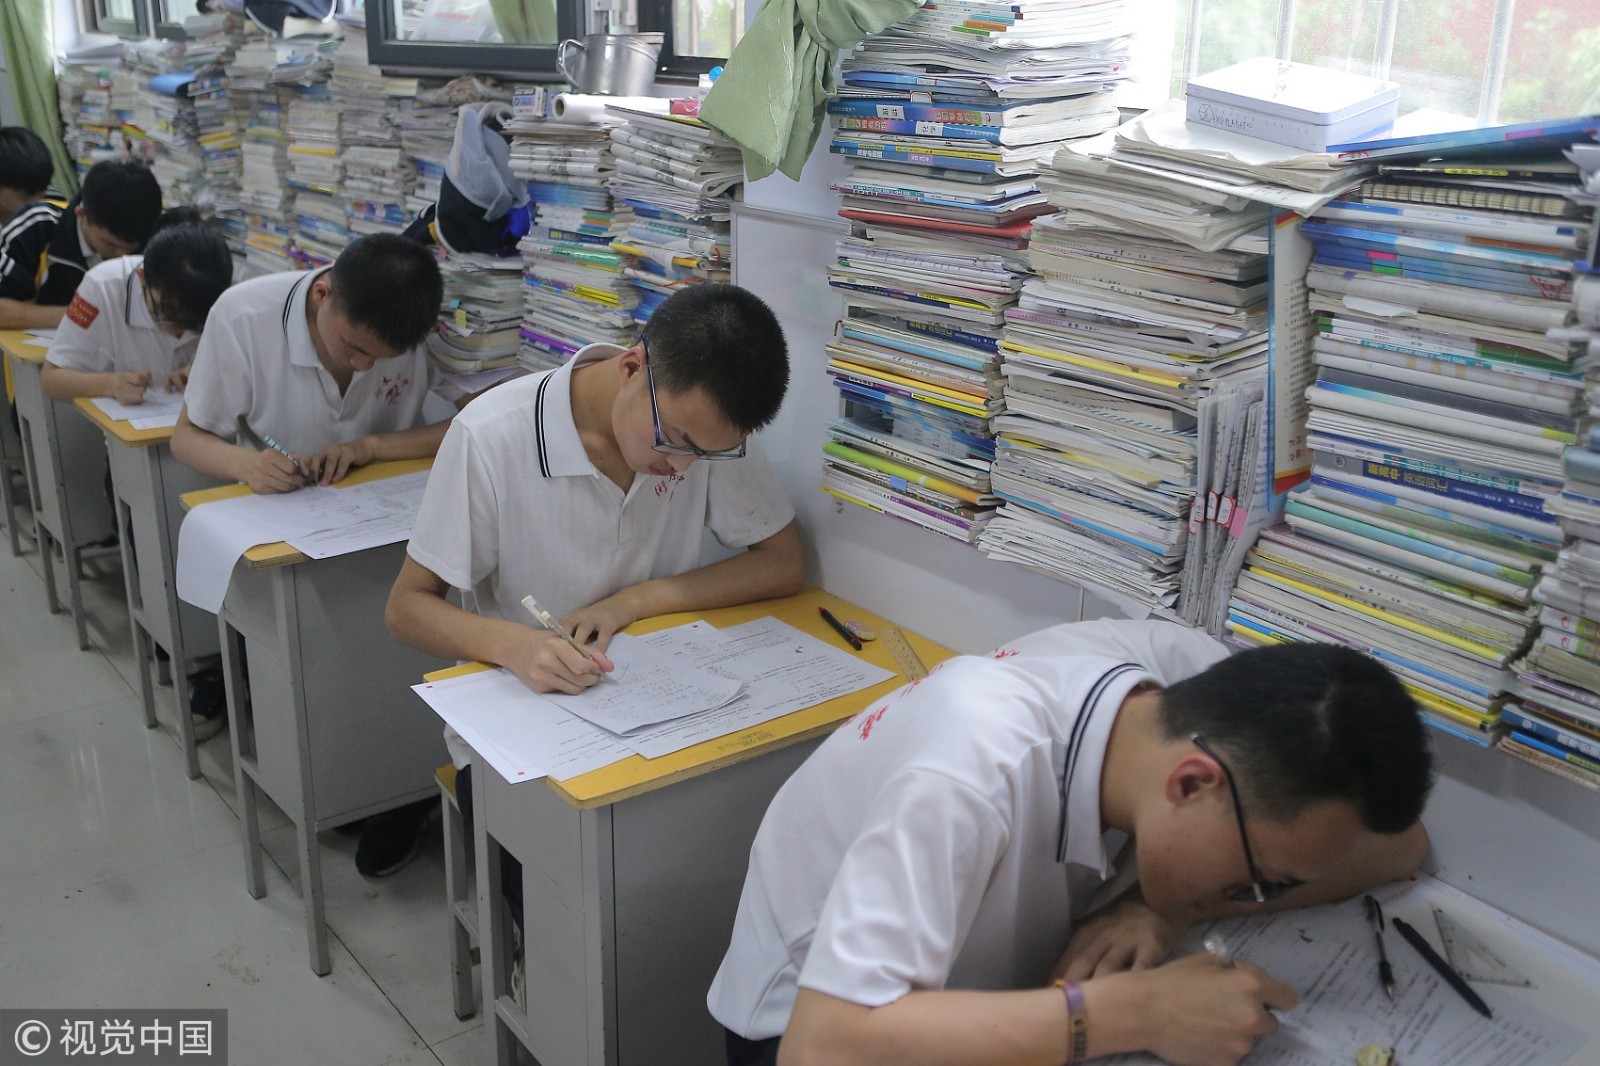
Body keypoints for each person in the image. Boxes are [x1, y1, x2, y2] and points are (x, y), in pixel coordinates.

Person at [708, 620, 1435, 1066]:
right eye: (1262, 881)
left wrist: (1162, 907)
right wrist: (1139, 1013)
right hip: (813, 1020)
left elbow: (1400, 848)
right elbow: (825, 1048)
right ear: (1191, 785)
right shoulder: (968, 771)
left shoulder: (1192, 681)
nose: (1254, 902)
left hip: (974, 980)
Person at [383, 282, 804, 880]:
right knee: (565, 885)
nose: (682, 468)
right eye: (676, 443)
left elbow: (783, 562)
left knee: (721, 850)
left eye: (704, 456)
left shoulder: (707, 431)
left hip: (662, 710)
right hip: (524, 725)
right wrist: (514, 645)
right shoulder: (492, 435)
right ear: (634, 367)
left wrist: (631, 602)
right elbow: (405, 608)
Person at [41, 209, 236, 741]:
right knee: (152, 544)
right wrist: (109, 382)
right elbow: (53, 379)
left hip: (211, 450)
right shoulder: (102, 287)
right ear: (143, 280)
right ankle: (189, 654)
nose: (175, 331)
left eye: (187, 325)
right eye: (165, 315)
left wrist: (202, 368)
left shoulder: (227, 294)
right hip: (137, 454)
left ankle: (222, 652)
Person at [172, 232, 466, 493]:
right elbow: (186, 438)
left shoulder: (428, 324)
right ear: (322, 295)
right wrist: (248, 466)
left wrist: (371, 447)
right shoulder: (241, 317)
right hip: (284, 511)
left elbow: (480, 421)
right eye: (354, 347)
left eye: (382, 359)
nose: (363, 366)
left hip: (391, 500)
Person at [0, 158, 163, 331]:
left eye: (131, 247)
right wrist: (85, 315)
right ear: (81, 214)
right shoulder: (38, 226)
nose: (121, 255)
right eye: (110, 244)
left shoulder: (153, 239)